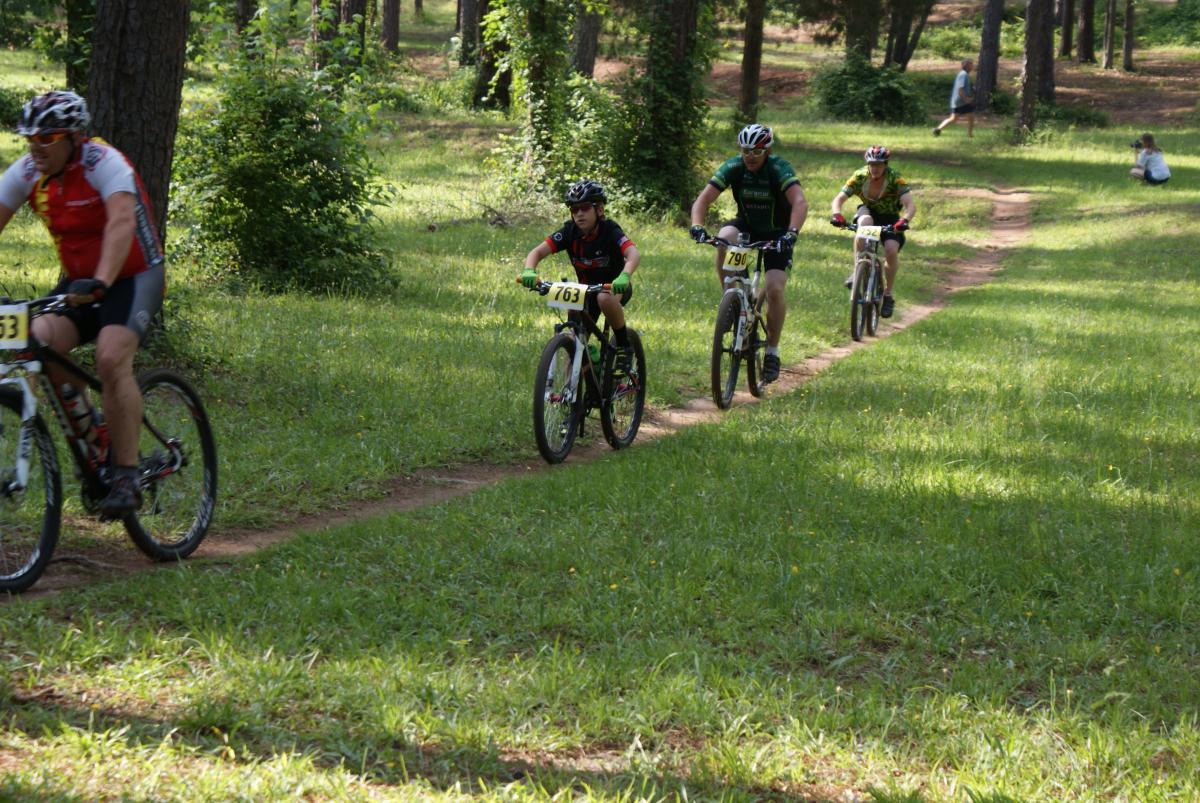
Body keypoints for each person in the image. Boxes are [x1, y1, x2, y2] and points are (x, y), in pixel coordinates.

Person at [0, 90, 166, 517]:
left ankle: (127, 476)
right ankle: (95, 437)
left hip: (132, 277)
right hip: (79, 284)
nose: (36, 147)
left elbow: (122, 222)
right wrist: (86, 284)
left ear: (73, 137)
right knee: (34, 339)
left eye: (47, 138)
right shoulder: (28, 172)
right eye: (30, 138)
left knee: (111, 358)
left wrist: (103, 280)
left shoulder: (104, 163)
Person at [688, 123, 808, 384]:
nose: (750, 156)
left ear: (767, 150)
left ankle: (773, 352)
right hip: (747, 228)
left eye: (756, 151)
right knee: (723, 240)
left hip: (778, 233)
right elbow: (703, 200)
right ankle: (731, 298)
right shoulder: (734, 167)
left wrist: (792, 233)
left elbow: (799, 201)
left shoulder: (778, 168)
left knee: (775, 288)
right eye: (745, 151)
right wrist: (697, 225)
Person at [521, 179, 641, 371]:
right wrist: (529, 270)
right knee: (575, 344)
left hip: (614, 287)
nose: (579, 213)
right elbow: (536, 253)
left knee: (604, 298)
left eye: (585, 207)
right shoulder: (569, 232)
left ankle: (624, 346)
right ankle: (573, 390)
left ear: (599, 210)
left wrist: (625, 276)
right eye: (574, 209)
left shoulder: (610, 230)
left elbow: (633, 253)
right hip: (585, 291)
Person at [830, 145, 915, 319]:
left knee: (891, 250)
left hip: (891, 218)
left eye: (879, 164)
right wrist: (837, 214)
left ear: (885, 165)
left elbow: (910, 205)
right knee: (863, 225)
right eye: (872, 164)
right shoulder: (860, 176)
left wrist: (904, 221)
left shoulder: (895, 179)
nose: (875, 168)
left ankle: (888, 295)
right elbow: (839, 199)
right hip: (868, 211)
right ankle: (858, 268)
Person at [933, 58, 974, 139]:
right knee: (971, 117)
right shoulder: (963, 74)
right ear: (967, 65)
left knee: (953, 118)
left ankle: (937, 129)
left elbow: (963, 88)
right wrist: (966, 99)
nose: (973, 66)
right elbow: (960, 89)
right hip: (961, 101)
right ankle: (970, 135)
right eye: (971, 64)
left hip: (957, 101)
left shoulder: (964, 74)